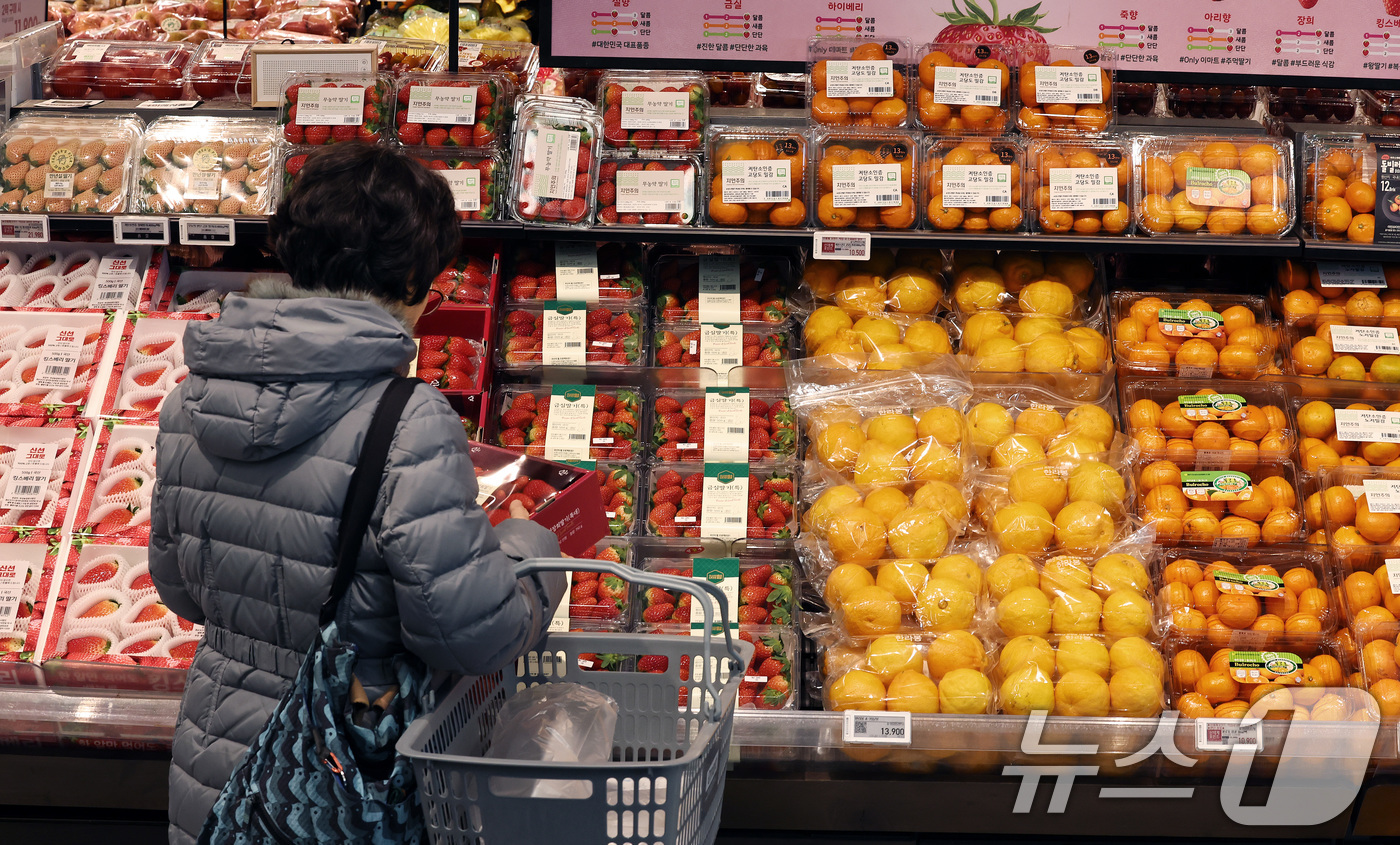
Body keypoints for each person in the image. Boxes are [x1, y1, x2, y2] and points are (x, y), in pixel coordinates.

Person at [149, 144, 564, 845]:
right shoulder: (406, 418)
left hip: (218, 773)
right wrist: (532, 550)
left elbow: (179, 585)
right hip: (338, 777)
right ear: (410, 280)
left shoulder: (189, 402)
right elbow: (471, 631)